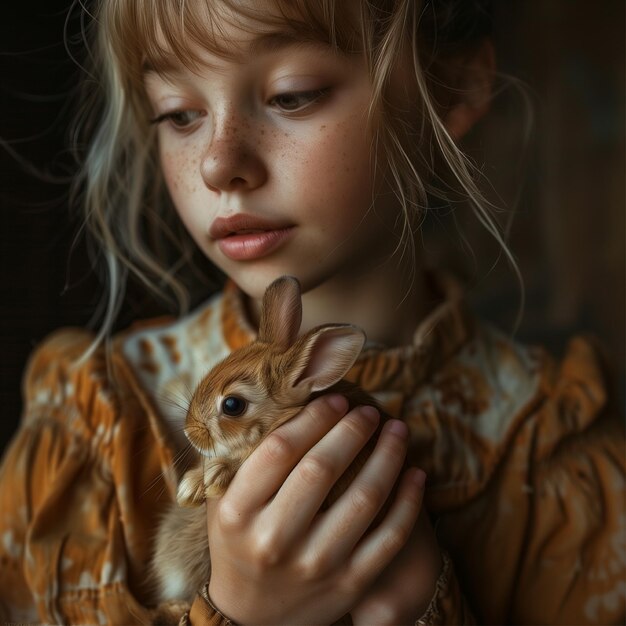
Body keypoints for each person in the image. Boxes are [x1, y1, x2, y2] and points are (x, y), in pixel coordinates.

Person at [0, 0, 623, 624]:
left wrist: (414, 607)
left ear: (451, 86)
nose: (219, 164)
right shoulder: (95, 422)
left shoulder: (556, 450)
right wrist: (242, 612)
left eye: (292, 95)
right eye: (180, 113)